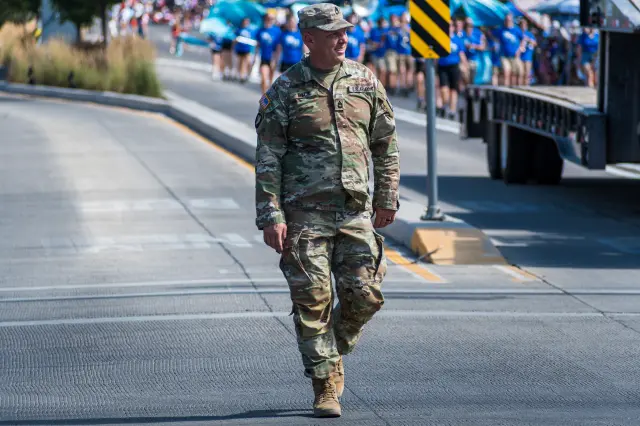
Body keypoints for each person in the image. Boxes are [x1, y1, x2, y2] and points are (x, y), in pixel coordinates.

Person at [254, 2, 400, 418]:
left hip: (354, 212)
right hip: (304, 217)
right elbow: (268, 157)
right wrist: (271, 215)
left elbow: (385, 143)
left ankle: (329, 351)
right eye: (333, 33)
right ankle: (324, 385)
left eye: (344, 32)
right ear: (309, 39)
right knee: (312, 302)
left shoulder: (364, 81)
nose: (342, 38)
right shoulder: (285, 90)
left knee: (365, 295)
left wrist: (386, 197)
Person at [256, 13, 282, 93]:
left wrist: (276, 59)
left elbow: (278, 47)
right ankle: (264, 95)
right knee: (264, 78)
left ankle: (268, 95)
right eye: (267, 18)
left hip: (273, 58)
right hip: (263, 57)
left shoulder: (277, 31)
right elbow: (257, 45)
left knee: (270, 80)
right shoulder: (260, 30)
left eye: (271, 19)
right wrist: (255, 57)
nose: (269, 20)